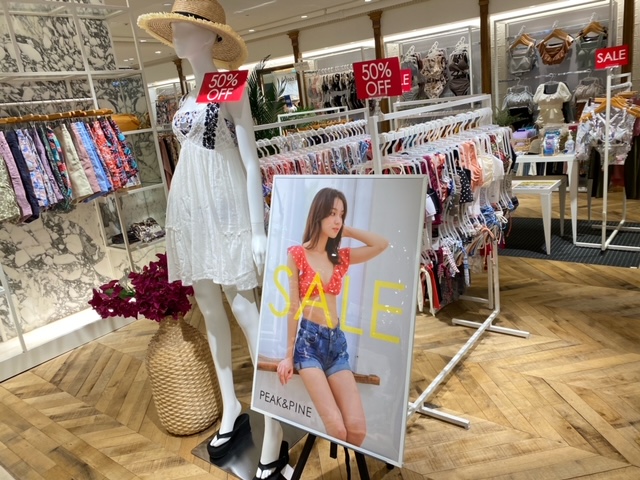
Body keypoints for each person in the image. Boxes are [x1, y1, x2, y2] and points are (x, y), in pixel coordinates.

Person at [137, 2, 287, 479]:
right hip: (191, 210)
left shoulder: (230, 85)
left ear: (209, 37)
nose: (177, 36)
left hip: (227, 209)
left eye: (185, 28)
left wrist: (258, 229)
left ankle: (275, 425)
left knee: (246, 309)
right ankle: (230, 407)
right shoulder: (185, 98)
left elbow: (251, 162)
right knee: (208, 308)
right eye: (175, 28)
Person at [276, 187, 389, 446]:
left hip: (336, 345)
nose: (337, 220)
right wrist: (288, 355)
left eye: (341, 214)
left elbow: (381, 244)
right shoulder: (297, 254)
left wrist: (346, 230)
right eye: (332, 213)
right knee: (337, 430)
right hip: (309, 346)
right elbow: (293, 307)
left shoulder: (340, 258)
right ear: (318, 214)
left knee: (357, 431)